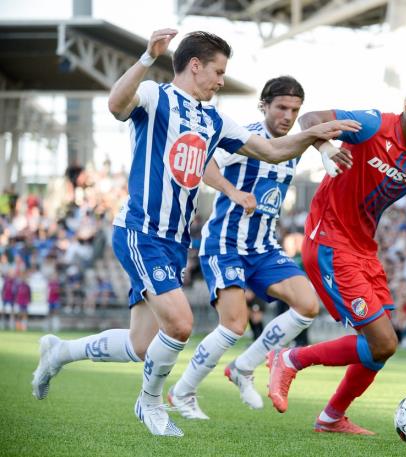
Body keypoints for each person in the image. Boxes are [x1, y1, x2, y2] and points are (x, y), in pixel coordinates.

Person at [30, 29, 359, 437]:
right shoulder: (155, 96)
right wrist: (147, 58)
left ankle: (60, 352)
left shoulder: (214, 119)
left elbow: (273, 150)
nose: (221, 81)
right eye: (218, 72)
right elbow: (116, 105)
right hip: (141, 230)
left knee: (141, 345)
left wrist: (314, 135)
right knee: (181, 324)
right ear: (196, 66)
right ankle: (150, 402)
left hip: (175, 241)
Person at [264, 78, 406, 435]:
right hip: (329, 239)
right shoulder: (372, 125)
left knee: (381, 348)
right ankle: (290, 359)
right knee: (383, 341)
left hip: (364, 249)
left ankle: (331, 418)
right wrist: (325, 148)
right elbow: (310, 120)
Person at [167, 76, 334, 418]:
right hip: (226, 243)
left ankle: (243, 367)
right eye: (281, 108)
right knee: (233, 325)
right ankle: (181, 392)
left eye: (294, 110)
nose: (288, 116)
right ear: (264, 105)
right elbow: (205, 163)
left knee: (307, 305)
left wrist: (326, 147)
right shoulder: (245, 137)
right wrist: (233, 192)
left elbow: (313, 133)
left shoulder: (292, 145)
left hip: (264, 247)